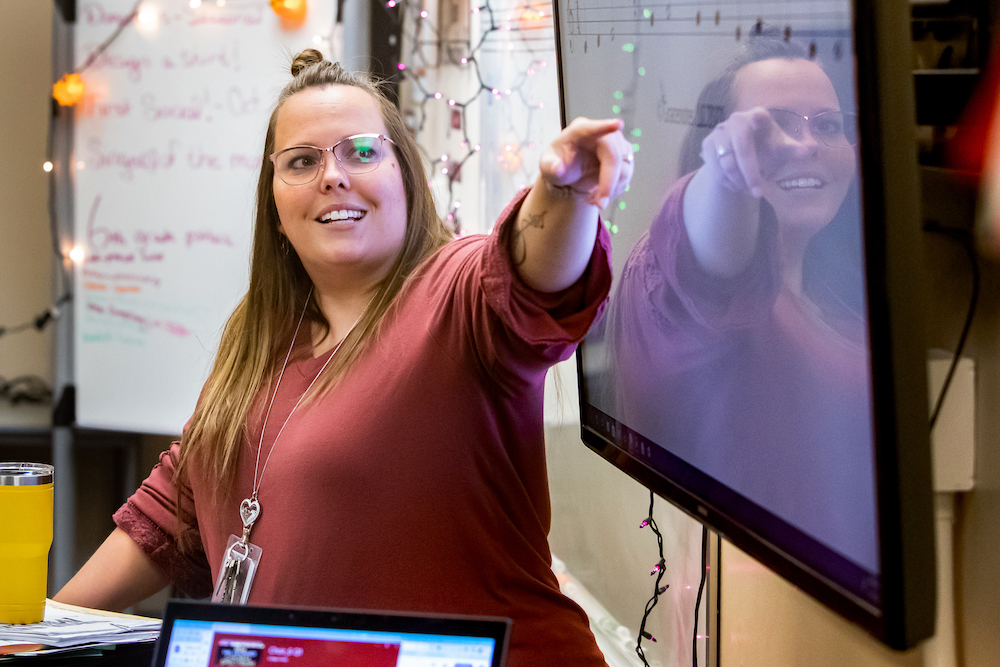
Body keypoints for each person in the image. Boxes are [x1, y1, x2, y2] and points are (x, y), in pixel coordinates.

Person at [55, 49, 633, 667]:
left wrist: (562, 194)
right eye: (302, 161)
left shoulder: (458, 292)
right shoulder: (260, 338)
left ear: (405, 176)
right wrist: (32, 632)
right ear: (274, 207)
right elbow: (176, 507)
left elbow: (532, 274)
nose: (333, 176)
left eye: (361, 152)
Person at [600, 37, 878, 571]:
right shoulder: (681, 265)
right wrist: (728, 173)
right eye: (770, 127)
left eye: (827, 124)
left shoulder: (839, 295)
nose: (804, 144)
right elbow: (707, 244)